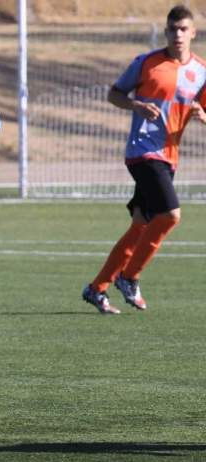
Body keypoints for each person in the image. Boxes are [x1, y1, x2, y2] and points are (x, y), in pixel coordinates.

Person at [82, 4, 206, 314]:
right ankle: (130, 277)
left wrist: (202, 114)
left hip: (169, 156)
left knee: (140, 225)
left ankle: (97, 288)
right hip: (143, 152)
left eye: (183, 29)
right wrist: (136, 105)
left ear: (193, 33)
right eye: (172, 29)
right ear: (165, 32)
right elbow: (114, 94)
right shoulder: (146, 63)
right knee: (170, 215)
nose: (177, 34)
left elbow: (204, 110)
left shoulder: (202, 72)